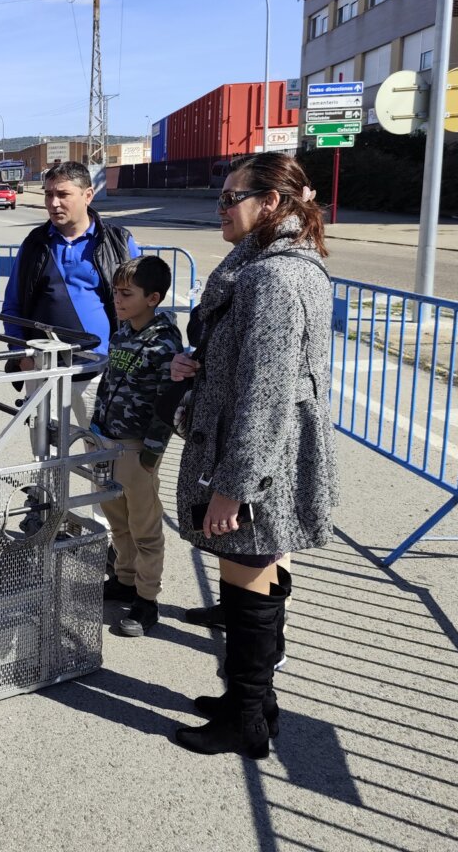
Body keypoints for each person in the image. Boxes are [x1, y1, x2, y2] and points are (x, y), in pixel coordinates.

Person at [170, 151, 338, 760]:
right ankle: (254, 704)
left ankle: (246, 717)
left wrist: (233, 487)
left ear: (271, 204)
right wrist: (201, 363)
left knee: (248, 584)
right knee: (252, 577)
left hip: (258, 458)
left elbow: (266, 395)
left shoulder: (273, 279)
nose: (220, 207)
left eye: (230, 197)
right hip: (266, 452)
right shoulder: (276, 266)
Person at [0, 160, 139, 538]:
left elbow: (141, 307)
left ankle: (103, 535)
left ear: (87, 195)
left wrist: (131, 360)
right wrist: (21, 355)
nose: (53, 203)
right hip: (45, 372)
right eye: (48, 194)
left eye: (63, 194)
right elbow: (12, 306)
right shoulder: (35, 244)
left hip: (100, 373)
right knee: (47, 455)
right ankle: (48, 517)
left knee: (100, 456)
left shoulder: (118, 241)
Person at [91, 256, 183, 636]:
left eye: (127, 293)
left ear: (154, 298)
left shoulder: (163, 342)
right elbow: (109, 383)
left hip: (135, 449)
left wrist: (150, 453)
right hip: (107, 441)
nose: (117, 299)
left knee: (144, 527)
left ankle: (146, 600)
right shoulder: (123, 330)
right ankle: (125, 579)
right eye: (115, 291)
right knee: (117, 519)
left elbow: (167, 402)